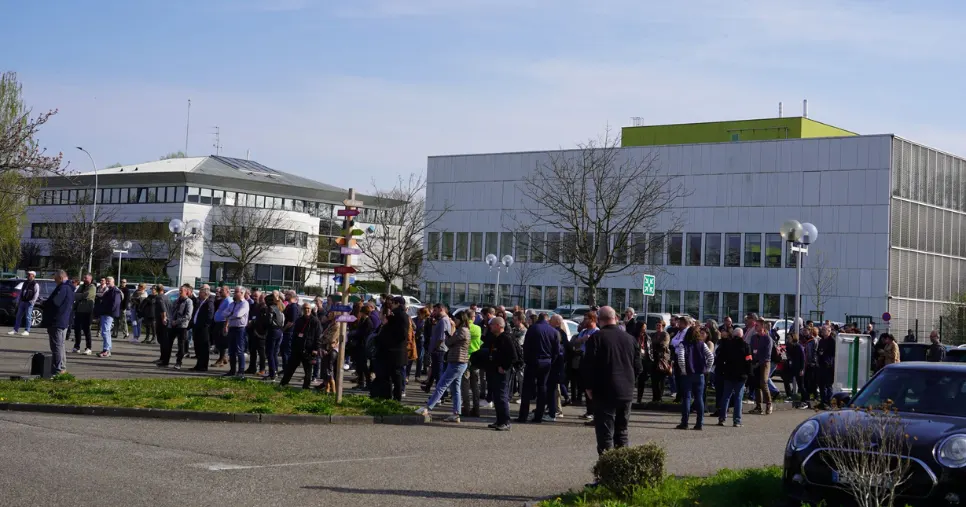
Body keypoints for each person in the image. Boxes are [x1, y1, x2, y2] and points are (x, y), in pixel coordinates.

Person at [581, 307, 642, 457]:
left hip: (604, 391)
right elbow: (638, 367)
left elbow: (588, 365)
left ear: (599, 320)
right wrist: (630, 381)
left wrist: (588, 387)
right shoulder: (630, 339)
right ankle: (622, 471)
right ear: (615, 318)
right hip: (625, 392)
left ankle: (607, 473)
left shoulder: (596, 338)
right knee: (622, 431)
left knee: (605, 434)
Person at [415, 309, 470, 423]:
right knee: (455, 389)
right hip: (459, 362)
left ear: (460, 320)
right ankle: (456, 413)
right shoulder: (464, 330)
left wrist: (450, 332)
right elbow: (451, 341)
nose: (453, 320)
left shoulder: (462, 331)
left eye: (455, 319)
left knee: (441, 385)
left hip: (457, 362)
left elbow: (449, 342)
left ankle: (427, 408)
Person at [518, 314, 558, 424]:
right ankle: (538, 416)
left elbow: (526, 346)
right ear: (547, 319)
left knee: (527, 389)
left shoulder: (533, 329)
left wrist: (526, 360)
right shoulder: (553, 331)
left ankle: (523, 416)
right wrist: (550, 360)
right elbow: (556, 350)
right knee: (542, 388)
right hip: (546, 362)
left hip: (532, 361)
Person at [675, 326, 713, 430]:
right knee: (699, 398)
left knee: (687, 398)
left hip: (688, 374)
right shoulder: (702, 344)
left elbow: (681, 358)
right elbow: (710, 356)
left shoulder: (683, 344)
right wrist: (707, 369)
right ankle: (699, 423)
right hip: (700, 374)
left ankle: (685, 422)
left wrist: (683, 370)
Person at [485, 316, 518, 431]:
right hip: (495, 371)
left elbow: (513, 356)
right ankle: (499, 420)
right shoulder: (497, 338)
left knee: (502, 396)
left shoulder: (505, 338)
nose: (490, 327)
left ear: (498, 326)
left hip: (503, 372)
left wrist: (504, 367)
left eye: (492, 324)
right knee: (497, 396)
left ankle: (506, 421)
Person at [279, 303, 323, 389]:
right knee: (290, 367)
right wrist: (293, 346)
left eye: (308, 309)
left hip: (309, 349)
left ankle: (306, 387)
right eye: (305, 308)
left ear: (311, 310)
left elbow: (318, 336)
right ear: (302, 309)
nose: (307, 310)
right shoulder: (299, 320)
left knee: (308, 371)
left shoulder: (315, 321)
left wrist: (316, 349)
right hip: (297, 348)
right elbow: (295, 334)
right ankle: (283, 384)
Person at [374, 296, 411, 401]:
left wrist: (389, 338)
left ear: (398, 304)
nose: (391, 305)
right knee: (389, 375)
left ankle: (397, 397)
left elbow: (402, 334)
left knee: (396, 376)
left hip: (396, 352)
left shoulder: (401, 316)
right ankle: (388, 396)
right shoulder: (395, 315)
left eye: (393, 303)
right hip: (390, 352)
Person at [715, 327, 752, 427]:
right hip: (741, 376)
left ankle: (722, 418)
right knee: (738, 398)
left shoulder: (727, 345)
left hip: (728, 374)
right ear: (742, 335)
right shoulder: (746, 346)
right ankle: (737, 420)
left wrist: (722, 371)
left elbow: (720, 358)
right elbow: (749, 361)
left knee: (725, 397)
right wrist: (749, 374)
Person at [42, 270, 74, 374]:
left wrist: (46, 303)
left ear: (60, 278)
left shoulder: (63, 288)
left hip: (57, 320)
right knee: (60, 345)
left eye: (55, 278)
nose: (54, 280)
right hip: (62, 320)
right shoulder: (69, 288)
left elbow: (56, 302)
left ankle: (59, 369)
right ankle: (61, 367)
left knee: (57, 346)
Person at [164, 284, 194, 369]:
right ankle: (165, 361)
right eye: (179, 290)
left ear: (186, 292)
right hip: (173, 325)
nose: (180, 292)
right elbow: (172, 311)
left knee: (181, 345)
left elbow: (188, 315)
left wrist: (177, 321)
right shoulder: (177, 301)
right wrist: (170, 320)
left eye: (181, 291)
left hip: (182, 326)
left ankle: (178, 363)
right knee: (168, 344)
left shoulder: (189, 301)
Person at [460, 309, 483, 417]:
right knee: (475, 385)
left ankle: (466, 408)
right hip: (476, 358)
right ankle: (477, 408)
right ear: (472, 317)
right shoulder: (478, 328)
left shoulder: (463, 328)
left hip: (464, 357)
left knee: (465, 384)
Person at [749, 318, 774, 415]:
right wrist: (752, 361)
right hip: (755, 362)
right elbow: (751, 350)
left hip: (764, 363)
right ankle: (758, 406)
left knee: (763, 382)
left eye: (757, 325)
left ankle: (769, 404)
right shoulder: (754, 338)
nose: (755, 327)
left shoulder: (767, 338)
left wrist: (759, 362)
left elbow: (767, 354)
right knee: (756, 385)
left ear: (763, 327)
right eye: (755, 325)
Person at [224, 286, 250, 378]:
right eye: (234, 291)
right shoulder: (232, 304)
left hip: (240, 329)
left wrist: (230, 315)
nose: (234, 293)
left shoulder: (245, 304)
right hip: (232, 328)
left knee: (240, 350)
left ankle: (241, 371)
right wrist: (231, 315)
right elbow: (224, 313)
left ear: (242, 293)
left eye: (236, 292)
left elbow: (239, 314)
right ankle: (232, 370)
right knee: (231, 351)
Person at [94, 277, 122, 358]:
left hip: (108, 314)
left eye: (109, 281)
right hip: (105, 313)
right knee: (106, 331)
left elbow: (115, 303)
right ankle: (106, 349)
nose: (107, 282)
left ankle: (106, 350)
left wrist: (108, 312)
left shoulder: (115, 291)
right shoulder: (109, 290)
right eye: (107, 281)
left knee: (105, 331)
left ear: (113, 282)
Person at [191, 285, 215, 371]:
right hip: (197, 327)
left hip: (204, 328)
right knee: (198, 347)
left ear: (205, 293)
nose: (199, 294)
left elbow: (210, 315)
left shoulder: (209, 302)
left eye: (200, 292)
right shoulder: (201, 301)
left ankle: (203, 366)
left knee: (204, 348)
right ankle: (198, 364)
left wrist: (206, 325)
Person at [262, 293, 285, 381]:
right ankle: (275, 371)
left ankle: (272, 373)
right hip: (280, 331)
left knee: (269, 353)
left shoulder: (271, 309)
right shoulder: (280, 308)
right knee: (274, 352)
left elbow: (268, 321)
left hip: (273, 331)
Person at [71, 273, 96, 354]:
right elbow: (75, 295)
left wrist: (79, 296)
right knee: (77, 329)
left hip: (87, 310)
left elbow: (87, 296)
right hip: (79, 310)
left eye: (86, 278)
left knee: (86, 330)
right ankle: (76, 347)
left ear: (90, 279)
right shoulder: (82, 286)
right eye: (84, 278)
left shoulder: (92, 287)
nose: (84, 279)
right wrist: (79, 296)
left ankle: (88, 347)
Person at [9, 271, 40, 336]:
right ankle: (15, 329)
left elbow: (36, 294)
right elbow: (21, 292)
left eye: (29, 275)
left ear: (33, 276)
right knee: (18, 316)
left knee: (28, 316)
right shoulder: (25, 283)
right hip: (23, 301)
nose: (28, 276)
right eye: (28, 275)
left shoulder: (35, 284)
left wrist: (32, 301)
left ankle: (27, 330)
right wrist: (19, 299)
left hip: (29, 302)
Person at [649, 319, 671, 403]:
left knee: (661, 379)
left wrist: (655, 344)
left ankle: (659, 397)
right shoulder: (653, 334)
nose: (658, 327)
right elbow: (649, 344)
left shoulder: (665, 334)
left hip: (662, 359)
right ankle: (654, 397)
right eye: (657, 325)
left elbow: (663, 345)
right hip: (653, 358)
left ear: (663, 326)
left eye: (660, 325)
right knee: (654, 379)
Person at [783, 333, 806, 408]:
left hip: (798, 367)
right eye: (787, 338)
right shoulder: (789, 346)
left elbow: (803, 358)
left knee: (800, 385)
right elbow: (788, 356)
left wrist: (802, 369)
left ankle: (804, 400)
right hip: (791, 367)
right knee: (786, 379)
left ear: (793, 338)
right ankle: (789, 395)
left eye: (789, 338)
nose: (788, 339)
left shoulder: (799, 346)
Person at [211, 286, 231, 367]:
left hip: (223, 323)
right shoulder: (223, 300)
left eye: (222, 290)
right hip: (218, 323)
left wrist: (226, 325)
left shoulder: (229, 301)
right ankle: (224, 357)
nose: (220, 292)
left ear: (227, 291)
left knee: (222, 342)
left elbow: (229, 314)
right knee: (218, 341)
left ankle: (221, 359)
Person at [816, 326, 836, 408]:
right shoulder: (821, 341)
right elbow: (819, 351)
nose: (823, 331)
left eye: (824, 330)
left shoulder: (832, 341)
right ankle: (823, 401)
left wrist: (828, 360)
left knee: (828, 384)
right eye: (822, 330)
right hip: (821, 365)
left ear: (829, 331)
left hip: (829, 366)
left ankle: (829, 402)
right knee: (821, 384)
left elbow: (833, 353)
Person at [281, 291, 300, 371]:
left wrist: (283, 329)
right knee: (283, 351)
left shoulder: (293, 307)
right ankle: (285, 367)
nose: (285, 296)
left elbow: (291, 321)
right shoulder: (289, 306)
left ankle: (287, 369)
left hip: (289, 332)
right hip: (287, 332)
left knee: (286, 351)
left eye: (287, 294)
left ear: (291, 296)